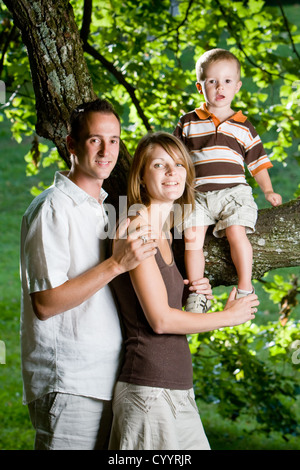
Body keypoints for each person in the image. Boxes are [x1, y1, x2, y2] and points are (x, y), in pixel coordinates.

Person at [20, 99, 158, 450]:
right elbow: (46, 303)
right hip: (70, 379)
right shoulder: (52, 209)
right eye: (95, 139)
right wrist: (115, 264)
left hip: (107, 376)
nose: (106, 150)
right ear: (71, 144)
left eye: (113, 140)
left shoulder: (103, 209)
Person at [108, 131, 259, 450]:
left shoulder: (167, 234)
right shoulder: (138, 230)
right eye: (159, 165)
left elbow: (177, 320)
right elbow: (161, 321)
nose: (171, 172)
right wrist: (227, 318)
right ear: (141, 176)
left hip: (176, 389)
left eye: (178, 164)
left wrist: (198, 296)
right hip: (149, 393)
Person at [174, 48, 282, 313]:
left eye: (227, 81)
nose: (219, 87)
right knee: (192, 238)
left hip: (233, 193)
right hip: (197, 195)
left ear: (237, 87)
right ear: (201, 87)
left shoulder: (243, 126)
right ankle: (198, 291)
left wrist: (267, 190)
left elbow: (257, 163)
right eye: (212, 81)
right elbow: (175, 158)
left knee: (236, 232)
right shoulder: (188, 122)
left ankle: (245, 286)